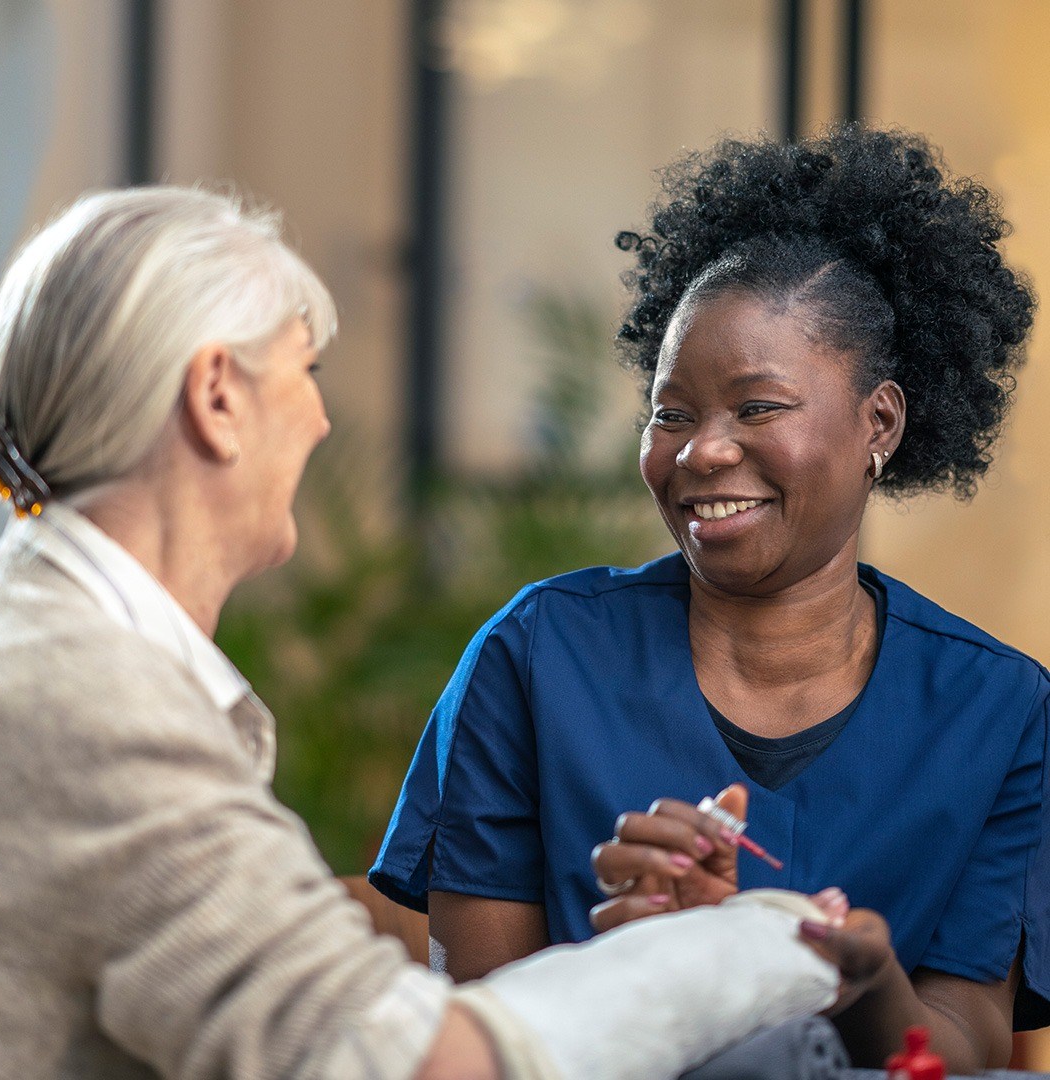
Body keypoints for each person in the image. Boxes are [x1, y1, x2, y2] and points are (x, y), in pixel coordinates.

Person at [0, 185, 856, 1080]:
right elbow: (402, 1063)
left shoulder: (35, 643)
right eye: (304, 371)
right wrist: (752, 947)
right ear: (216, 398)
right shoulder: (93, 705)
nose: (320, 419)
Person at [370, 126, 1050, 1072]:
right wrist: (652, 961)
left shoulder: (999, 711)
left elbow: (971, 1045)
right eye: (671, 412)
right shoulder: (538, 657)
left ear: (879, 422)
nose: (700, 452)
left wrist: (853, 981)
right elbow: (476, 1038)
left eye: (757, 408)